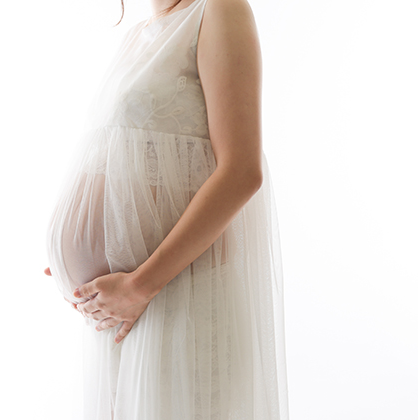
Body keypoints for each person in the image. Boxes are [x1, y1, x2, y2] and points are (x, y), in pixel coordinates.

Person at [44, 0, 289, 418]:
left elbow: (241, 172)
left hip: (177, 297)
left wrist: (140, 285)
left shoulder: (218, 9)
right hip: (122, 313)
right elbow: (122, 156)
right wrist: (78, 262)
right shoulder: (135, 37)